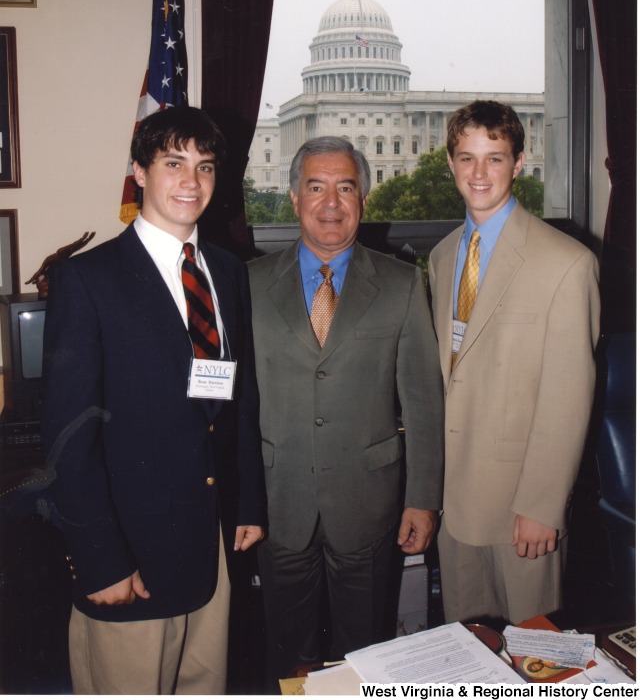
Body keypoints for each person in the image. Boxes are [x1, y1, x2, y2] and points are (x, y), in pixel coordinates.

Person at [41, 106, 266, 694]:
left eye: (205, 167)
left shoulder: (227, 272)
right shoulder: (87, 280)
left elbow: (237, 401)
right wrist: (99, 557)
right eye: (173, 163)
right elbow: (68, 437)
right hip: (129, 557)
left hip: (211, 548)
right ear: (139, 171)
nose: (191, 182)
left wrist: (248, 504)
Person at [248, 136, 444, 687]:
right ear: (292, 199)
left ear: (363, 198)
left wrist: (423, 500)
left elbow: (424, 403)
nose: (330, 203)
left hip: (370, 506)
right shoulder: (250, 284)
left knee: (369, 660)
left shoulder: (403, 285)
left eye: (345, 187)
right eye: (316, 187)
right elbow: (237, 407)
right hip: (276, 506)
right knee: (288, 660)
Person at [428, 100, 600, 625]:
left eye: (495, 158)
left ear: (519, 163)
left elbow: (568, 396)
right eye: (467, 158)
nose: (479, 173)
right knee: (467, 644)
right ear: (451, 163)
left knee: (535, 657)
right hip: (455, 502)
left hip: (521, 506)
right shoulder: (440, 257)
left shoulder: (567, 262)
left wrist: (543, 505)